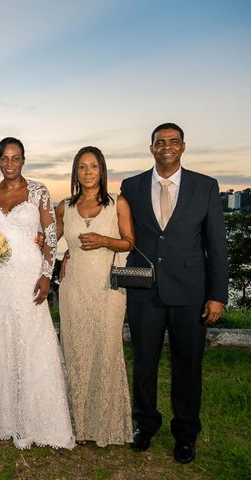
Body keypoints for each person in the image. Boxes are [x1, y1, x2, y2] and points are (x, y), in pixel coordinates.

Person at [0, 137, 75, 449]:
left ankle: (38, 421)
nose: (10, 163)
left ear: (23, 160)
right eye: (4, 158)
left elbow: (49, 235)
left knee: (30, 340)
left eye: (15, 158)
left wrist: (47, 275)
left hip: (28, 274)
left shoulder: (39, 191)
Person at [120, 123, 227, 463]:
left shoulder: (205, 187)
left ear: (183, 147)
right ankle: (145, 425)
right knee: (144, 363)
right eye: (160, 142)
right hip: (145, 293)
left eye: (173, 141)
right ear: (151, 147)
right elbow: (124, 235)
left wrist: (217, 295)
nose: (166, 146)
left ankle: (185, 433)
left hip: (190, 293)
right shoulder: (131, 186)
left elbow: (216, 246)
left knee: (188, 366)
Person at [56, 146, 135, 446]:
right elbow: (51, 241)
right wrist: (62, 257)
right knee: (75, 352)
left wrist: (104, 240)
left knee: (106, 350)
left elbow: (130, 243)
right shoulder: (65, 206)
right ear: (75, 172)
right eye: (82, 167)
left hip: (107, 290)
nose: (88, 172)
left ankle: (107, 426)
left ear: (102, 170)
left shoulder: (119, 204)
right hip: (74, 288)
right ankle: (76, 425)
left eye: (93, 167)